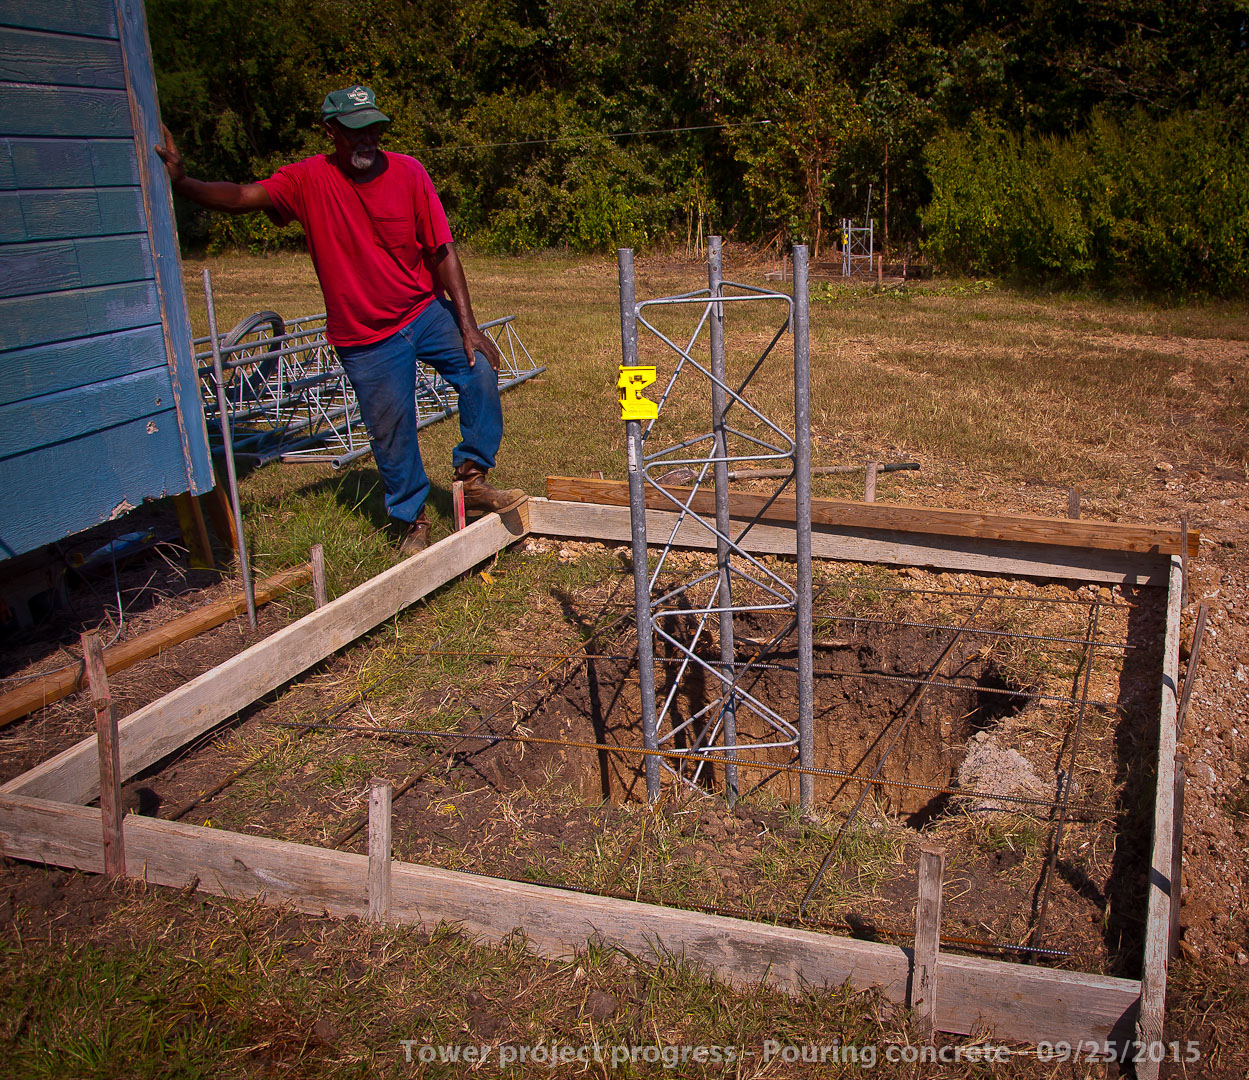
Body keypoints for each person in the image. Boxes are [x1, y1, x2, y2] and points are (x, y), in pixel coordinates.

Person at [157, 85, 525, 556]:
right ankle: (410, 520)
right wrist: (185, 184)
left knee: (479, 374)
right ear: (331, 131)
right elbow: (242, 196)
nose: (367, 140)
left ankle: (472, 481)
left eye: (374, 129)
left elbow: (442, 250)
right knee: (392, 428)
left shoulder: (409, 172)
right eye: (355, 132)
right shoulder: (307, 180)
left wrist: (468, 325)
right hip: (365, 334)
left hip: (423, 311)